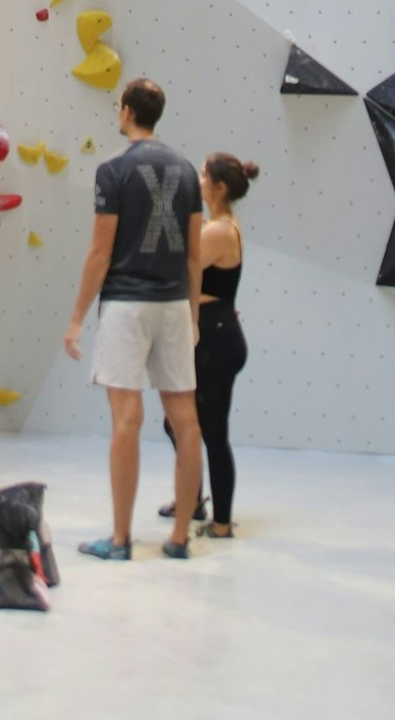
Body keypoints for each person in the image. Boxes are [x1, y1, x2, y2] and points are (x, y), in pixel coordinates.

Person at [64, 78, 203, 561]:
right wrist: (192, 313)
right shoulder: (187, 171)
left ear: (125, 112)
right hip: (173, 307)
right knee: (186, 421)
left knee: (127, 419)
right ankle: (181, 537)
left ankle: (121, 540)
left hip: (126, 304)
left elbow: (101, 251)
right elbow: (193, 254)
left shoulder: (113, 170)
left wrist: (77, 317)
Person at [157, 153, 256, 539]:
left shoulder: (218, 231)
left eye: (202, 175)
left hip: (216, 338)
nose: (197, 180)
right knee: (177, 423)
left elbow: (177, 266)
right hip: (212, 334)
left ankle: (221, 522)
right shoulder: (220, 225)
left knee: (212, 431)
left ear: (218, 188)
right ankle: (193, 498)